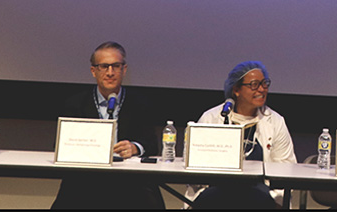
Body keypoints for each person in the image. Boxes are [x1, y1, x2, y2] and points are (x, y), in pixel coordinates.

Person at [51, 41, 164, 209]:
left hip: (131, 180)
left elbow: (152, 145)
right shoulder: (75, 103)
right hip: (85, 179)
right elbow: (63, 146)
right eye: (104, 66)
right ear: (93, 71)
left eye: (116, 66)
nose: (110, 73)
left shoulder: (140, 103)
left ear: (124, 70)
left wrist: (135, 147)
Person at [183, 61, 296, 209]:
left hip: (260, 193)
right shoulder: (212, 118)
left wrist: (275, 198)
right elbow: (191, 160)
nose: (262, 89)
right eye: (254, 85)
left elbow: (286, 167)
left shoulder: (275, 122)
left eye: (264, 83)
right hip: (215, 190)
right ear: (236, 90)